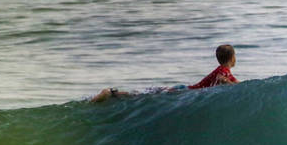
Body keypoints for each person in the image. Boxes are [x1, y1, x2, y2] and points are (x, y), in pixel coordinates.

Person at [89, 44, 239, 102]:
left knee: (144, 94)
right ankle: (110, 93)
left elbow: (235, 83)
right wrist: (226, 83)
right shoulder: (224, 71)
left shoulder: (223, 70)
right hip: (183, 92)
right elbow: (224, 80)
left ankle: (113, 93)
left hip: (183, 89)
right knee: (142, 95)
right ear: (232, 58)